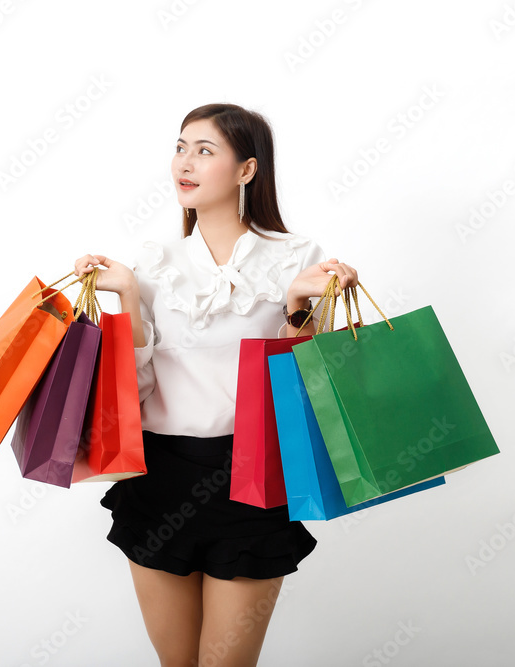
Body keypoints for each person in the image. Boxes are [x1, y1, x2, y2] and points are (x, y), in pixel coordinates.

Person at [73, 103, 359, 667]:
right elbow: (137, 390)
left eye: (205, 151)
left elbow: (310, 383)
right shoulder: (153, 262)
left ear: (247, 170)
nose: (186, 162)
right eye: (181, 147)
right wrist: (126, 296)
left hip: (253, 479)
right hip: (159, 477)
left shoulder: (296, 257)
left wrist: (302, 307)